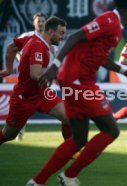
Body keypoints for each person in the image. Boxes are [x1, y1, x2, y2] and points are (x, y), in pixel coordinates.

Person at [26, 1, 127, 185]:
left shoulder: (114, 24)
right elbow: (75, 36)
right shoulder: (109, 21)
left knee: (79, 138)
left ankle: (38, 181)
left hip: (76, 80)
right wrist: (55, 66)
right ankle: (70, 175)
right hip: (78, 80)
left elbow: (100, 57)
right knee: (111, 130)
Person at [0, 16, 73, 145]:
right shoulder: (38, 46)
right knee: (8, 135)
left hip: (42, 93)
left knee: (70, 118)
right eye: (61, 33)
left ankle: (70, 151)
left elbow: (11, 48)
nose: (62, 37)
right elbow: (35, 75)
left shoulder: (32, 38)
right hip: (25, 98)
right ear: (51, 32)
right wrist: (56, 74)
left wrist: (8, 70)